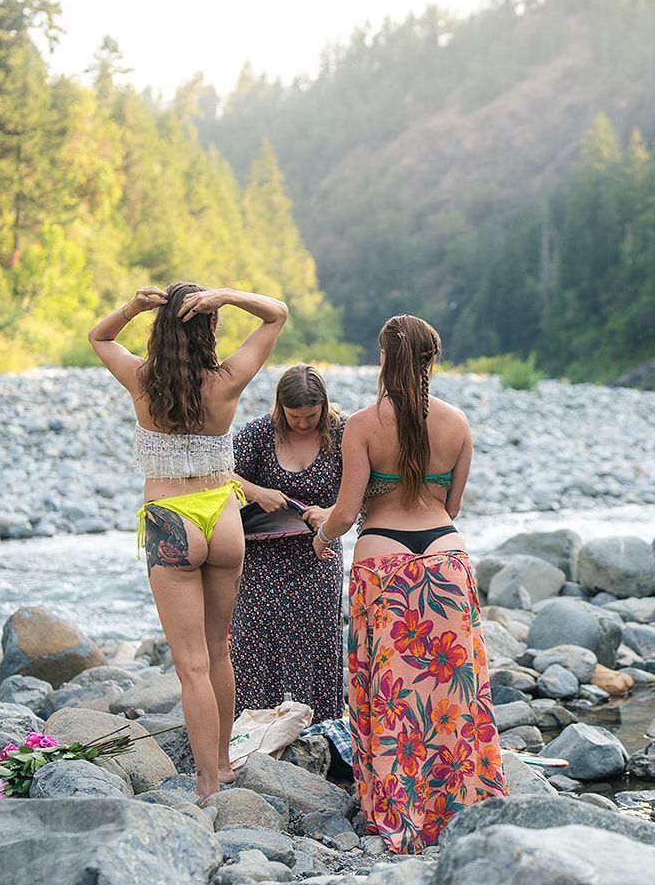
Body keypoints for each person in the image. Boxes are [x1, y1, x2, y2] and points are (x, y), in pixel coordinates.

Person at [314, 314, 505, 852]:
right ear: (432, 360)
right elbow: (452, 505)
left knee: (393, 692)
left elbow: (348, 512)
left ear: (383, 358)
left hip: (385, 561)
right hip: (445, 558)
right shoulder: (458, 423)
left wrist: (322, 533)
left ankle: (401, 807)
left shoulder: (362, 424)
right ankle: (459, 802)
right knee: (454, 689)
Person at [88, 282, 287, 799]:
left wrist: (131, 307)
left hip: (171, 519)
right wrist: (228, 295)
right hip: (223, 518)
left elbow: (99, 337)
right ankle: (221, 764)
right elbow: (276, 315)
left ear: (160, 328)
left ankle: (205, 787)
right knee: (220, 651)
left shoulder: (141, 379)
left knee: (192, 666)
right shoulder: (225, 382)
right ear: (210, 328)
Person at [231, 364, 346, 720]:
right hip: (262, 555)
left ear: (324, 406)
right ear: (280, 408)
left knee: (315, 637)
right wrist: (257, 492)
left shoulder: (342, 433)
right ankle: (252, 725)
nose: (303, 423)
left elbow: (364, 489)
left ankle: (317, 724)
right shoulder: (259, 433)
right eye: (294, 416)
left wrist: (331, 512)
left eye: (311, 416)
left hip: (319, 552)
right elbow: (218, 472)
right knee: (255, 636)